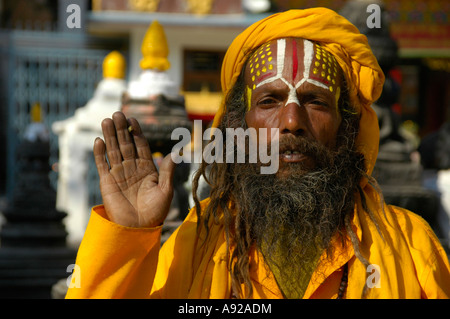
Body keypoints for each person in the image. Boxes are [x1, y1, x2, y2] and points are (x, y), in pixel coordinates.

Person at [65, 8, 450, 299]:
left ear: (346, 127)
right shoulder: (196, 244)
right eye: (270, 100)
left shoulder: (412, 247)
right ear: (239, 125)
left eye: (315, 101)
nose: (292, 121)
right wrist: (128, 237)